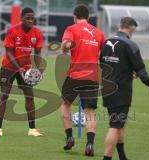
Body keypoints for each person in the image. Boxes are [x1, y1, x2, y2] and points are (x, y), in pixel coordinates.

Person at [99, 17, 149, 160]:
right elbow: (142, 71)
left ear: (119, 26)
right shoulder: (130, 44)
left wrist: (126, 71)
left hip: (107, 89)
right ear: (132, 29)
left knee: (120, 123)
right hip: (120, 91)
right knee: (115, 126)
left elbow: (103, 63)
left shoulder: (106, 42)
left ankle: (122, 156)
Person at [60, 4, 105, 156]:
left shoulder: (71, 29)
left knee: (65, 105)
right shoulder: (98, 33)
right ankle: (90, 144)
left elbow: (65, 46)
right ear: (89, 17)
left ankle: (69, 137)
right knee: (90, 112)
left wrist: (66, 46)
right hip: (92, 77)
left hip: (75, 75)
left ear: (74, 16)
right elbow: (102, 56)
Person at [0, 7, 43, 137]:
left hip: (26, 68)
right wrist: (18, 68)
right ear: (21, 18)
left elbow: (37, 53)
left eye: (32, 18)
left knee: (29, 97)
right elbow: (8, 52)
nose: (30, 20)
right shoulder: (12, 31)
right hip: (9, 67)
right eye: (27, 18)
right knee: (4, 96)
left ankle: (32, 129)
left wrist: (38, 69)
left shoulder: (37, 33)